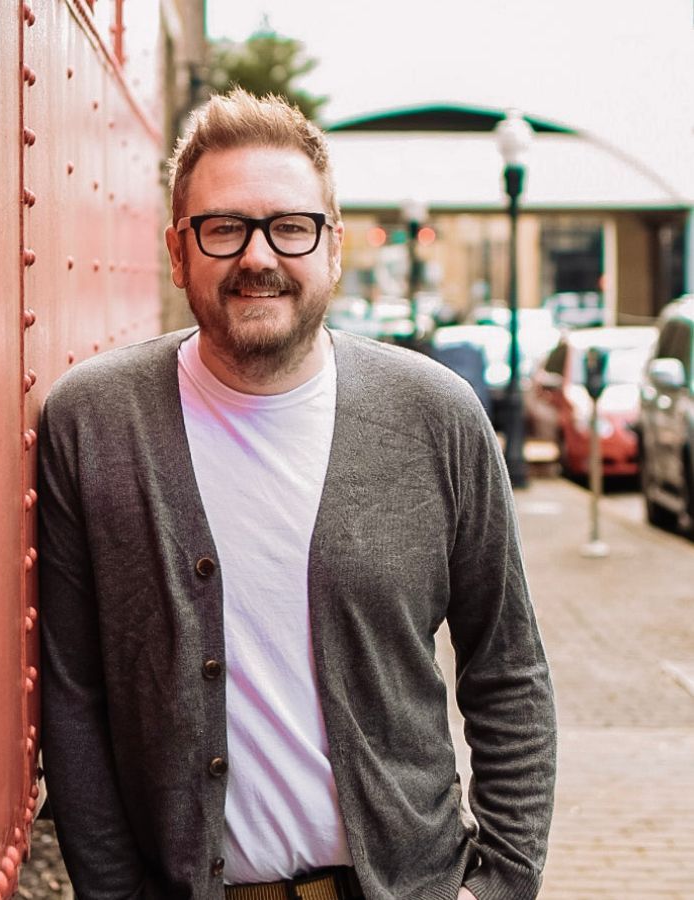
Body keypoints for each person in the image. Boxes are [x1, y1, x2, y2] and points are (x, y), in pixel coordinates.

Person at [38, 88, 557, 900]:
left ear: (333, 247)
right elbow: (73, 696)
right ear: (178, 251)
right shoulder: (94, 424)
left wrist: (501, 885)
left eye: (291, 226)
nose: (258, 257)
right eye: (223, 228)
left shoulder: (437, 417)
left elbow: (508, 669)